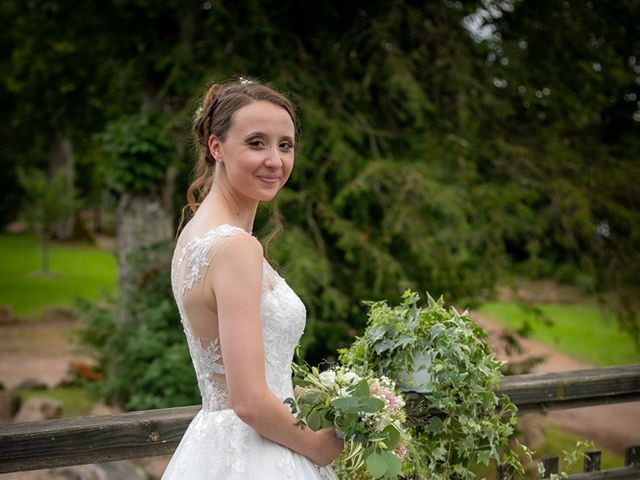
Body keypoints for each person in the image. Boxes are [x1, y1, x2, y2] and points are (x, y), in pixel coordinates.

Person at [161, 79, 343, 479]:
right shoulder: (235, 248)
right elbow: (248, 400)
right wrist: (316, 445)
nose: (275, 161)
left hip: (216, 444)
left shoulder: (194, 236)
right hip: (259, 453)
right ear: (216, 147)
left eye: (285, 145)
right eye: (256, 143)